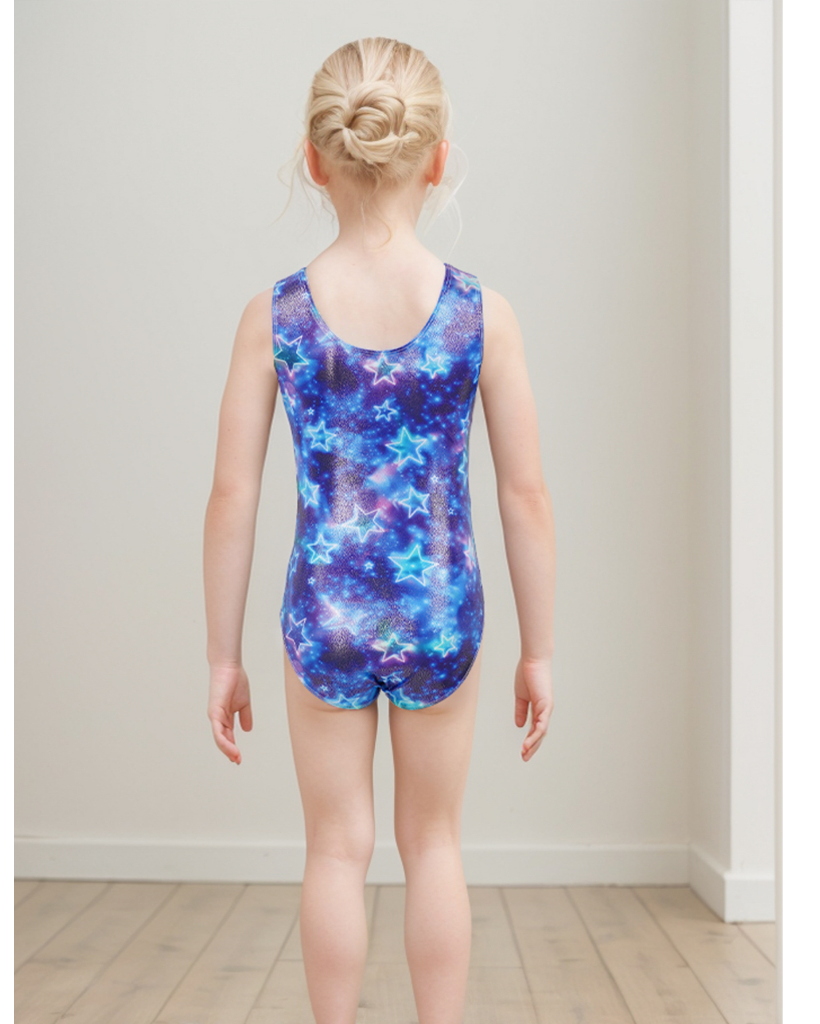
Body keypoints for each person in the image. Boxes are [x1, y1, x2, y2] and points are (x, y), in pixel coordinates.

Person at [203, 36, 556, 1024]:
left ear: (315, 161)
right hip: (441, 607)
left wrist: (222, 655)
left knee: (334, 848)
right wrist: (540, 649)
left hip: (324, 610)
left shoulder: (273, 316)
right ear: (436, 159)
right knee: (434, 843)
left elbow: (232, 495)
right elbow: (525, 493)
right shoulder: (482, 315)